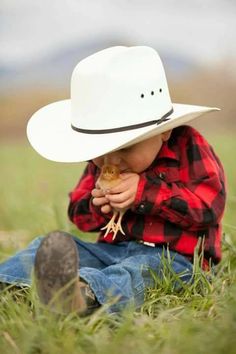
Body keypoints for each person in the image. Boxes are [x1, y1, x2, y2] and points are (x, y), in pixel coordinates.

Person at [0, 46, 226, 316]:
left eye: (125, 148)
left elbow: (208, 208)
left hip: (177, 260)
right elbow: (78, 215)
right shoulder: (103, 164)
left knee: (137, 271)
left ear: (164, 132)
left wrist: (145, 193)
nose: (111, 161)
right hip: (111, 250)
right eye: (100, 150)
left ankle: (82, 295)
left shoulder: (188, 146)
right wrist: (98, 204)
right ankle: (12, 283)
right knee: (52, 244)